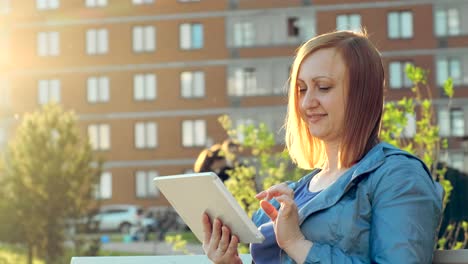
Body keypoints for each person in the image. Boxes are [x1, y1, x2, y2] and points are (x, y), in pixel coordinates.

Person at [201, 30, 443, 263]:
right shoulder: (295, 192)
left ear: (362, 93)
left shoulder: (398, 176)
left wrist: (297, 243)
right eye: (302, 89)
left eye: (324, 87)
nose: (307, 103)